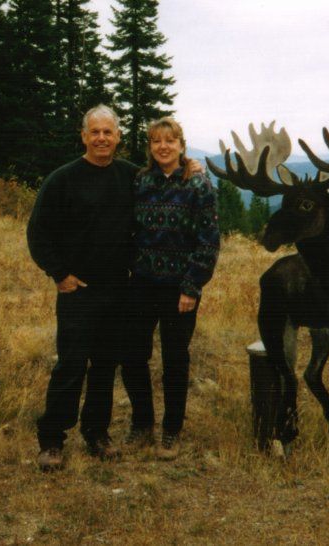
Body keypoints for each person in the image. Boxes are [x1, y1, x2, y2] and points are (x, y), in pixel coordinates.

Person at [27, 104, 136, 471]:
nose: (102, 138)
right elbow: (38, 233)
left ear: (118, 136)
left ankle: (97, 433)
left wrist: (191, 166)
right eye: (95, 132)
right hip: (78, 291)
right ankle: (52, 440)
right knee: (71, 366)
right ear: (84, 136)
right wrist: (60, 275)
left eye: (109, 132)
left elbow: (169, 185)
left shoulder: (132, 178)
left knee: (105, 366)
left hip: (118, 291)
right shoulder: (62, 180)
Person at [121, 117, 220, 460]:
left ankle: (171, 430)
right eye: (155, 141)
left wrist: (192, 288)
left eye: (170, 140)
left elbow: (208, 242)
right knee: (133, 355)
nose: (163, 146)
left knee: (175, 359)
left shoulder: (199, 185)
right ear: (150, 147)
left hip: (180, 288)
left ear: (181, 144)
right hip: (142, 285)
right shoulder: (141, 181)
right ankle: (142, 422)